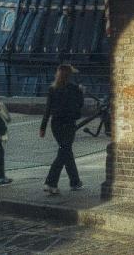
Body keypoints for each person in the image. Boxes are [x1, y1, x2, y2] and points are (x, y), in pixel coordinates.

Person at [39, 64, 84, 195]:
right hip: (68, 124)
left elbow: (47, 110)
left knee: (66, 151)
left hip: (56, 125)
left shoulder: (52, 89)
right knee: (64, 152)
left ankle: (75, 181)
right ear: (69, 75)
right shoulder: (74, 88)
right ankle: (50, 182)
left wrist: (43, 127)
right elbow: (79, 105)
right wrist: (81, 92)